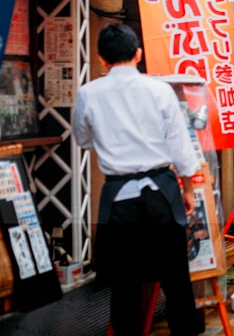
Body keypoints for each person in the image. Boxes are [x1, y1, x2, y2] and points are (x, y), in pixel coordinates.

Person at [73, 24, 202, 335]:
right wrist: (188, 190)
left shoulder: (88, 93)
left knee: (125, 281)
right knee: (175, 277)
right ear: (138, 54)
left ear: (102, 59)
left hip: (119, 196)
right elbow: (180, 147)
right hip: (162, 193)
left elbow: (83, 139)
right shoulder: (158, 91)